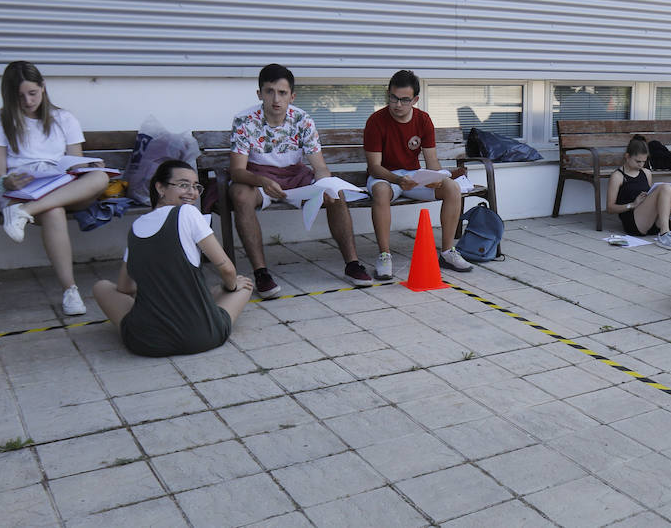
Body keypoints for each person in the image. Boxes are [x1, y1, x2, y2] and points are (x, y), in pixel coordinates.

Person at [229, 64, 372, 298]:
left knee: (335, 195)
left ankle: (353, 264)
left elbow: (319, 167)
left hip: (295, 176)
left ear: (292, 96)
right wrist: (262, 181)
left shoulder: (302, 119)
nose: (276, 99)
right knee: (240, 195)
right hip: (258, 177)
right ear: (259, 94)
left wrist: (325, 184)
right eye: (269, 91)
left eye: (282, 93)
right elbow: (237, 171)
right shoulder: (244, 120)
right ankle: (261, 272)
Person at [0, 61, 111, 316]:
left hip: (61, 185)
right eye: (20, 96)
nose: (28, 101)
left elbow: (74, 160)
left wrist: (87, 165)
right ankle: (70, 290)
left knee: (100, 177)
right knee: (54, 211)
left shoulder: (64, 118)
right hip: (24, 188)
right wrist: (5, 181)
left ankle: (23, 212)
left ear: (43, 87)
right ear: (9, 96)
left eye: (33, 93)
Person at [93, 161, 254, 357]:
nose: (192, 192)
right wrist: (231, 287)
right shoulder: (188, 212)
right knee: (244, 285)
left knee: (101, 287)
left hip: (145, 343)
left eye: (196, 186)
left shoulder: (136, 226)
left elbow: (125, 288)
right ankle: (209, 300)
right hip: (201, 338)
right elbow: (227, 269)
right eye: (183, 185)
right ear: (160, 187)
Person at [364, 70, 473, 276]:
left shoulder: (423, 119)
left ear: (415, 99)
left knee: (451, 187)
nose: (397, 105)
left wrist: (436, 178)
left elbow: (432, 161)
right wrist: (398, 179)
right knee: (380, 191)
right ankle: (384, 255)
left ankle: (448, 252)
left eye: (404, 100)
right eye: (393, 98)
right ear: (388, 93)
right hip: (386, 177)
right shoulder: (376, 120)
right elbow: (374, 167)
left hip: (413, 177)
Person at [606, 135, 671, 250]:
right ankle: (664, 234)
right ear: (627, 157)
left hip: (653, 222)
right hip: (634, 223)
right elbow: (610, 208)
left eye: (643, 162)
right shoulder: (618, 176)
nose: (640, 165)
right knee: (664, 188)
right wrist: (632, 204)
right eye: (637, 161)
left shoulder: (646, 172)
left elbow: (652, 196)